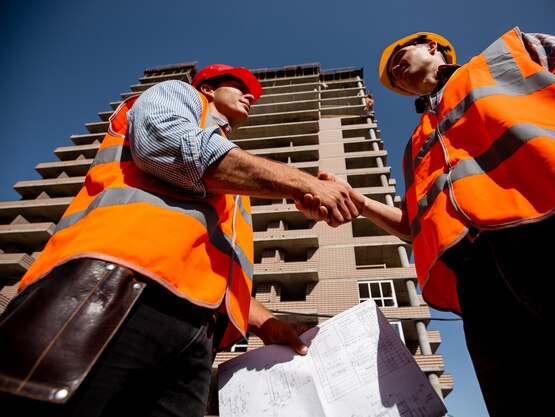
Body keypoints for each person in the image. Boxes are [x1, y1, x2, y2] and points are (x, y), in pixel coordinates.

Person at [0, 63, 364, 417]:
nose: (250, 96)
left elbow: (211, 272)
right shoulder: (176, 95)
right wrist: (303, 182)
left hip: (195, 334)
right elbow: (175, 149)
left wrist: (267, 324)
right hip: (113, 289)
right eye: (239, 86)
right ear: (207, 88)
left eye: (252, 93)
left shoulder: (233, 184)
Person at [312, 28, 555, 416]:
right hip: (483, 287)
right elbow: (417, 226)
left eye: (399, 56)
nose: (395, 70)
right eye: (392, 77)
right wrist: (361, 204)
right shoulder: (416, 146)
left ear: (432, 47)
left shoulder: (509, 53)